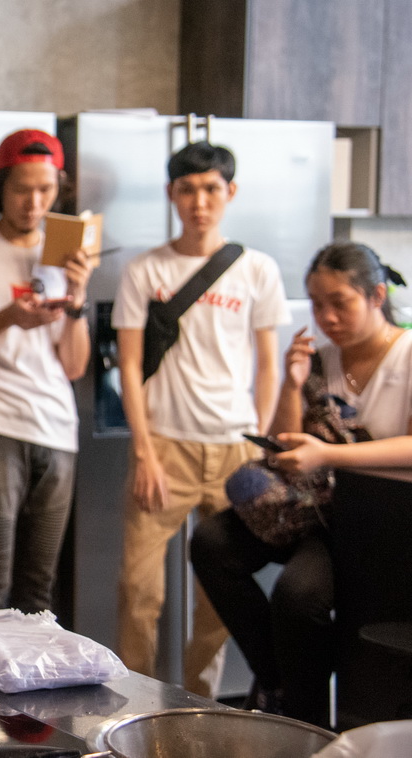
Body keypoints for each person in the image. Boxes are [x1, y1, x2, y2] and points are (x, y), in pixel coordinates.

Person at [191, 241, 412, 727]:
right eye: (316, 304)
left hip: (382, 522)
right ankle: (279, 684)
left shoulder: (407, 354)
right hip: (317, 510)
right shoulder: (320, 360)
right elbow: (283, 452)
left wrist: (329, 454)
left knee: (297, 597)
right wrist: (292, 384)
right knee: (212, 542)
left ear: (376, 296)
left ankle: (305, 720)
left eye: (340, 303)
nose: (326, 317)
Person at [110, 141, 289, 698]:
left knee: (219, 594)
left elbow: (268, 363)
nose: (199, 202)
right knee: (138, 588)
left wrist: (259, 447)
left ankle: (201, 702)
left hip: (235, 450)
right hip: (164, 447)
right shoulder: (145, 270)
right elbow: (129, 364)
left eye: (211, 188)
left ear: (229, 192)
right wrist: (143, 451)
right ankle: (133, 702)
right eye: (187, 190)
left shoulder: (257, 269)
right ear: (172, 194)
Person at [0, 129, 94, 614]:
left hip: (57, 426)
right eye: (22, 189)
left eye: (45, 190)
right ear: (1, 187)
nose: (34, 203)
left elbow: (74, 366)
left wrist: (77, 300)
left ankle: (32, 667)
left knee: (39, 587)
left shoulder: (63, 257)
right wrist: (8, 317)